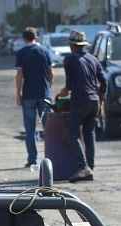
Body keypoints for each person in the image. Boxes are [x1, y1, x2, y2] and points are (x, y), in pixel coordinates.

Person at [58, 30, 107, 183]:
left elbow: (69, 85)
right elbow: (104, 82)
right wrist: (101, 103)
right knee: (89, 134)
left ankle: (82, 166)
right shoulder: (93, 59)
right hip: (94, 101)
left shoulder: (70, 59)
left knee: (71, 133)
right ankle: (90, 167)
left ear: (72, 45)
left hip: (80, 100)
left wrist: (61, 94)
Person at [15, 27, 53, 168]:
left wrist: (18, 93)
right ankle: (51, 158)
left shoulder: (21, 53)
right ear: (36, 37)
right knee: (48, 128)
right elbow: (51, 72)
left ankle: (32, 159)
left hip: (28, 94)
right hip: (44, 94)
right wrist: (48, 87)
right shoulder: (45, 51)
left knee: (30, 129)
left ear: (24, 38)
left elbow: (19, 75)